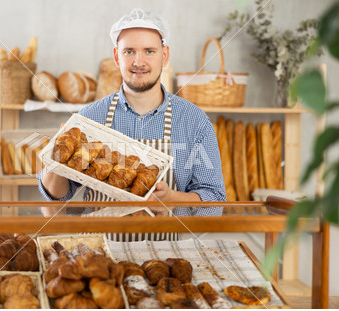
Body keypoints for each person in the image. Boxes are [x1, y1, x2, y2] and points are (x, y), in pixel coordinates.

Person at [38, 8, 226, 240]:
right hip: (100, 260)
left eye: (149, 51)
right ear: (117, 57)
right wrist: (56, 160)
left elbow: (215, 202)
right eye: (129, 51)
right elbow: (54, 206)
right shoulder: (88, 118)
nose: (139, 62)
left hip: (167, 258)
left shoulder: (193, 121)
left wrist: (173, 200)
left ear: (164, 56)